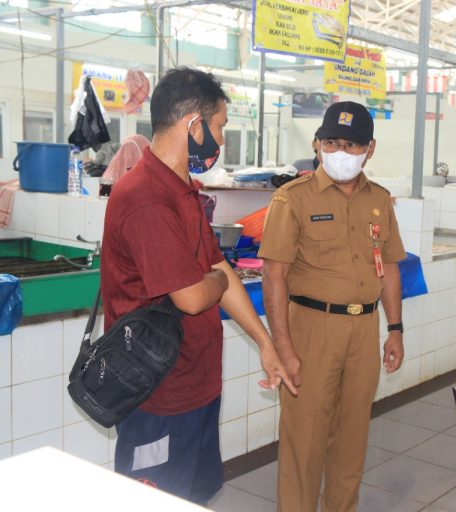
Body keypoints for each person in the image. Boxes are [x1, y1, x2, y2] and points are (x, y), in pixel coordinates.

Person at [100, 67, 296, 505]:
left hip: (197, 386)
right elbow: (192, 295)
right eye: (221, 127)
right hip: (159, 395)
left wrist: (266, 344)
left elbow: (217, 273)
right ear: (194, 125)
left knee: (194, 496)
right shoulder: (145, 198)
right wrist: (210, 277)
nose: (222, 141)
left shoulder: (182, 190)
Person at [258, 101, 407, 512]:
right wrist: (283, 349)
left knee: (351, 440)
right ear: (318, 144)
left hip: (364, 329)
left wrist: (395, 328)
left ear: (370, 149)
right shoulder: (293, 200)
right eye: (332, 142)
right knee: (304, 442)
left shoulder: (379, 200)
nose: (341, 152)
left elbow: (390, 268)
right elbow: (274, 276)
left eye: (352, 145)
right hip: (311, 328)